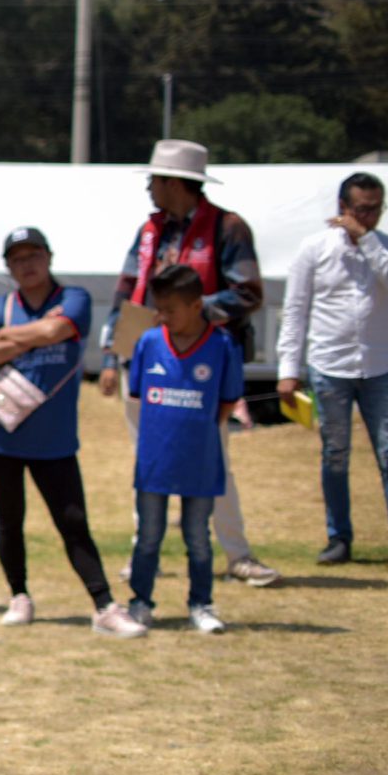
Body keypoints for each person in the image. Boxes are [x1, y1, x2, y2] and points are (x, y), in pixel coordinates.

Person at [98, 138, 279, 586]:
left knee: (211, 455)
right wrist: (110, 349)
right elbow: (126, 289)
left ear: (175, 183)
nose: (149, 191)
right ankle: (147, 553)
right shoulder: (149, 230)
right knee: (148, 455)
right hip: (146, 353)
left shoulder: (227, 228)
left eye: (154, 181)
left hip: (203, 360)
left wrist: (189, 310)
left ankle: (237, 554)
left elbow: (249, 294)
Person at [0, 226, 148, 636]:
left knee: (72, 521)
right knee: (8, 519)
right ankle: (19, 595)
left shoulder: (74, 299)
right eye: (17, 259)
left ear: (49, 257)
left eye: (33, 256)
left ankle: (103, 605)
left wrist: (7, 338)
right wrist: (30, 336)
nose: (26, 265)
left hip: (54, 440)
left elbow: (57, 330)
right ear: (8, 268)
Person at [278, 172, 388, 572]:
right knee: (335, 454)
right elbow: (295, 310)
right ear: (342, 208)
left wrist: (366, 239)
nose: (369, 217)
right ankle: (339, 538)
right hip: (329, 366)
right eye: (362, 209)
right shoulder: (314, 248)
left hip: (378, 367)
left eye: (376, 209)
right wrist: (288, 368)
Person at [125, 264, 244, 633]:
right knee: (148, 537)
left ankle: (201, 605)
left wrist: (199, 430)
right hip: (154, 461)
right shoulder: (148, 343)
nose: (162, 316)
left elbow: (226, 402)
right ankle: (140, 602)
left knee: (198, 538)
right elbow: (137, 394)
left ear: (196, 306)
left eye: (170, 309)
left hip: (201, 461)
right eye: (158, 308)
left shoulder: (223, 346)